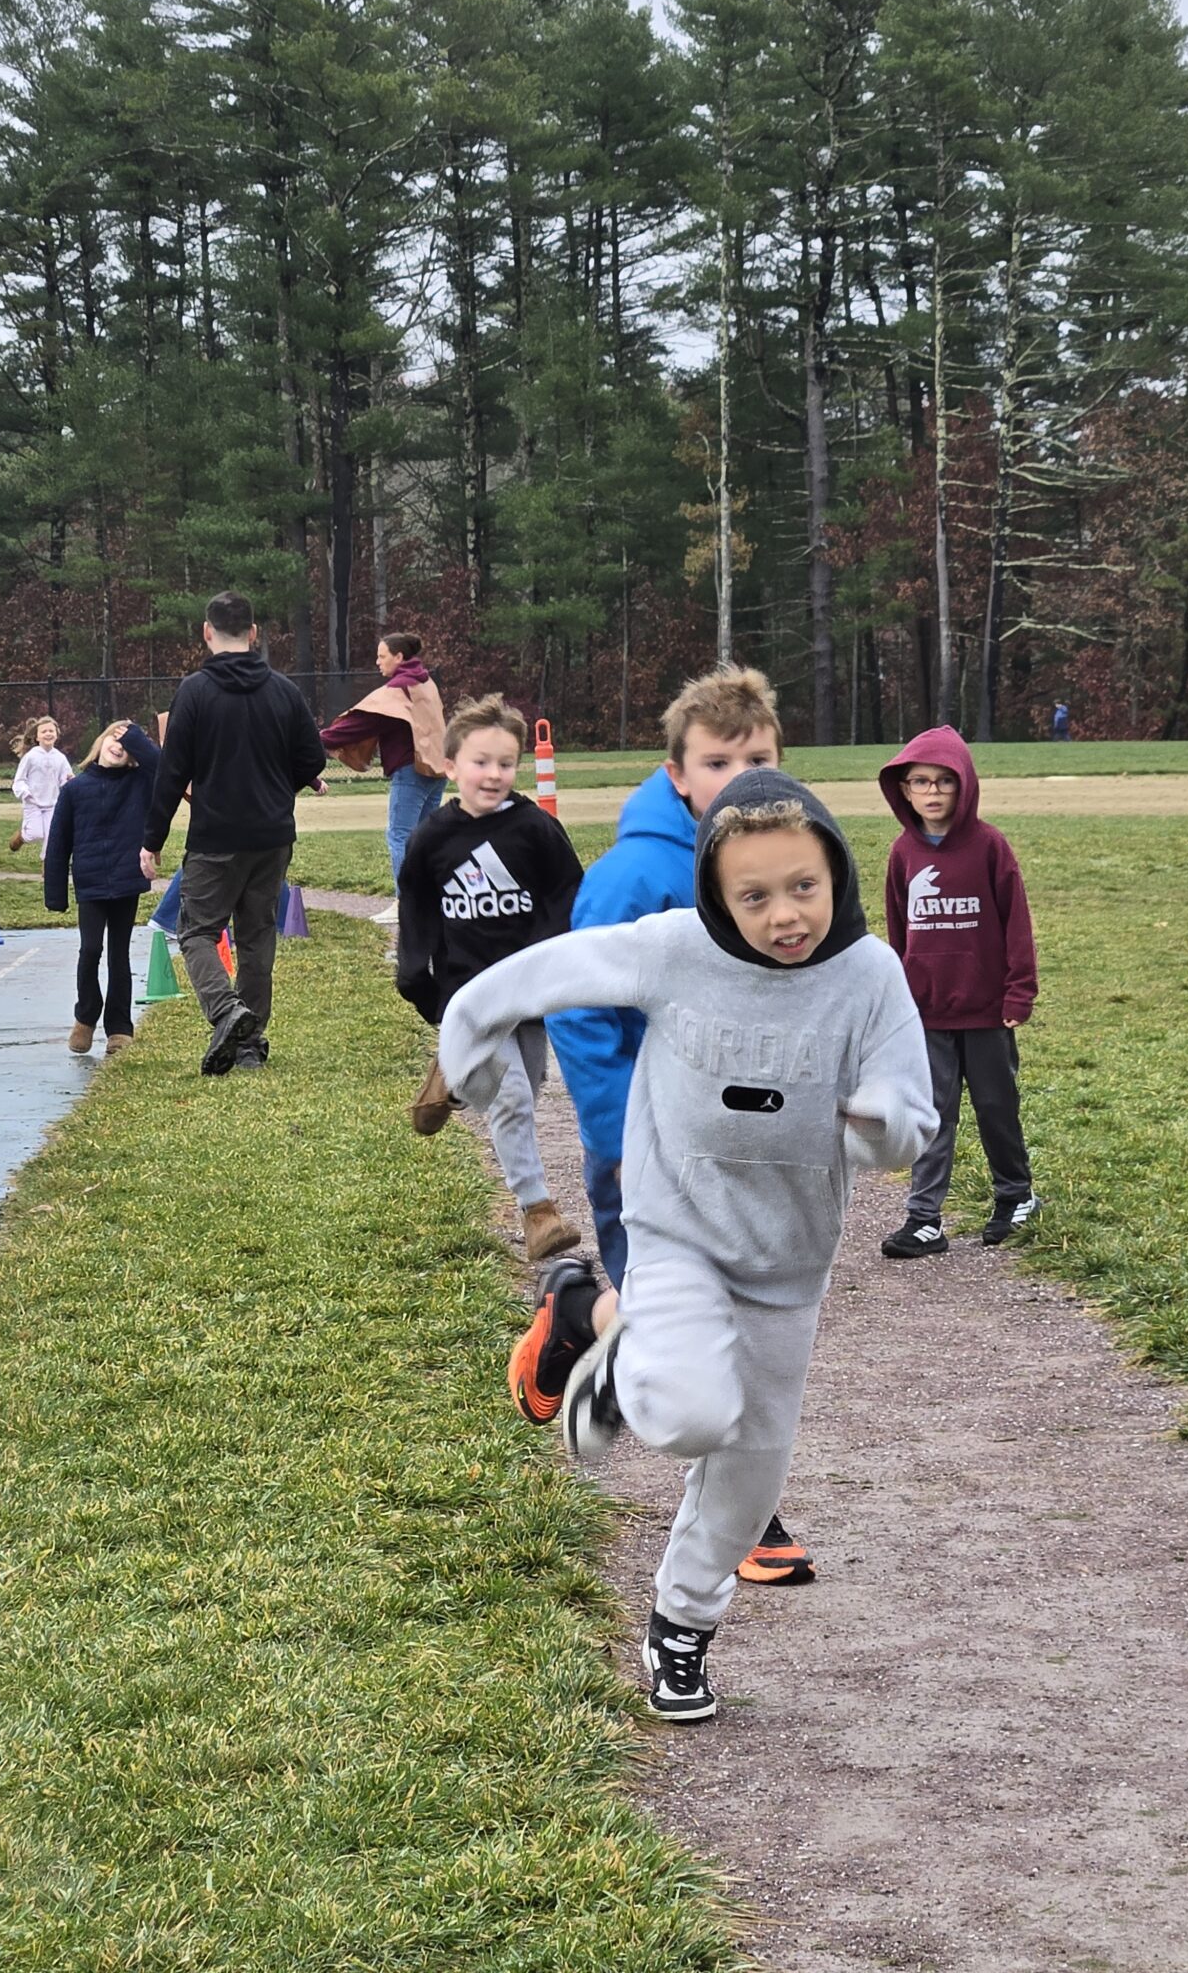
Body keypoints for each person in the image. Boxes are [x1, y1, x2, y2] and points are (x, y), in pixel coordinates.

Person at [441, 771, 935, 1721]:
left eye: (803, 886)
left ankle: (679, 1628)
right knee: (688, 1417)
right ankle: (610, 1341)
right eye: (755, 896)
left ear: (836, 873)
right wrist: (466, 1046)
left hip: (789, 1267)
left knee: (752, 1471)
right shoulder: (672, 949)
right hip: (678, 1234)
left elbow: (912, 1119)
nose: (784, 914)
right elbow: (526, 979)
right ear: (717, 894)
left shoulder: (870, 975)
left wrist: (878, 1124)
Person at [546, 663, 814, 1588]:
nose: (742, 778)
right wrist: (624, 1139)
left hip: (742, 1148)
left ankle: (580, 1315)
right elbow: (579, 1010)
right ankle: (748, 1518)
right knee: (700, 1333)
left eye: (760, 759)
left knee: (735, 1317)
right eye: (718, 762)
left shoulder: (781, 868)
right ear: (677, 773)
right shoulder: (636, 876)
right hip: (649, 1151)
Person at [396, 693, 584, 1263]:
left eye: (506, 763)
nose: (494, 774)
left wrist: (553, 966)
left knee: (530, 1081)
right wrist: (421, 984)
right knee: (512, 1098)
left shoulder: (536, 829)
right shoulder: (433, 838)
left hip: (527, 991)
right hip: (470, 993)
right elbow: (418, 913)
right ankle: (538, 1211)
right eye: (481, 762)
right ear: (451, 766)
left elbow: (567, 897)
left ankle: (453, 1075)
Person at [140, 590, 327, 1075]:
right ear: (254, 634)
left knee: (197, 931)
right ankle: (248, 1045)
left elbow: (172, 772)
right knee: (257, 936)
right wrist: (277, 789)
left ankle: (226, 1011)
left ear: (207, 632)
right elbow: (312, 758)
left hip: (216, 836)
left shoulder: (195, 692)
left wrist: (152, 839)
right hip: (272, 835)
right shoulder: (283, 691)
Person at [876, 725, 1040, 1258]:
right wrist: (902, 998)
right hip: (928, 1014)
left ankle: (1015, 1197)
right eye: (920, 782)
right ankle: (924, 1219)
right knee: (932, 1114)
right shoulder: (903, 852)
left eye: (944, 781)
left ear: (964, 785)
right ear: (904, 790)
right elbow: (900, 934)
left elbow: (1016, 923)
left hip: (988, 1011)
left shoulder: (989, 846)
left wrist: (1019, 991)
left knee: (996, 1107)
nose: (932, 792)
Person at [44, 721, 162, 1055]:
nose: (118, 746)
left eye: (127, 745)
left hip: (126, 882)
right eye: (114, 738)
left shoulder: (140, 782)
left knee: (119, 955)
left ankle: (120, 1028)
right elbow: (58, 843)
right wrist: (55, 894)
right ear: (100, 741)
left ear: (134, 755)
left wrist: (136, 738)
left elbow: (164, 767)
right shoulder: (74, 790)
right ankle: (85, 1017)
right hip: (91, 883)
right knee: (90, 950)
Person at [320, 632, 446, 923]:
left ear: (399, 657)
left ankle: (406, 904)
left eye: (382, 656)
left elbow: (360, 724)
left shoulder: (398, 690)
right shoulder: (425, 683)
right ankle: (427, 902)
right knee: (424, 838)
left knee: (400, 836)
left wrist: (315, 738)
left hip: (411, 771)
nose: (377, 662)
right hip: (436, 770)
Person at [9, 716, 74, 852]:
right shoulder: (30, 757)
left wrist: (70, 781)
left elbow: (65, 780)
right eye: (44, 731)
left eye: (51, 731)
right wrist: (25, 793)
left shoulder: (60, 758)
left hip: (52, 804)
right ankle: (22, 836)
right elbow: (19, 780)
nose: (48, 734)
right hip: (33, 803)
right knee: (35, 834)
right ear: (37, 737)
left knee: (51, 837)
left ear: (56, 734)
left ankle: (47, 863)